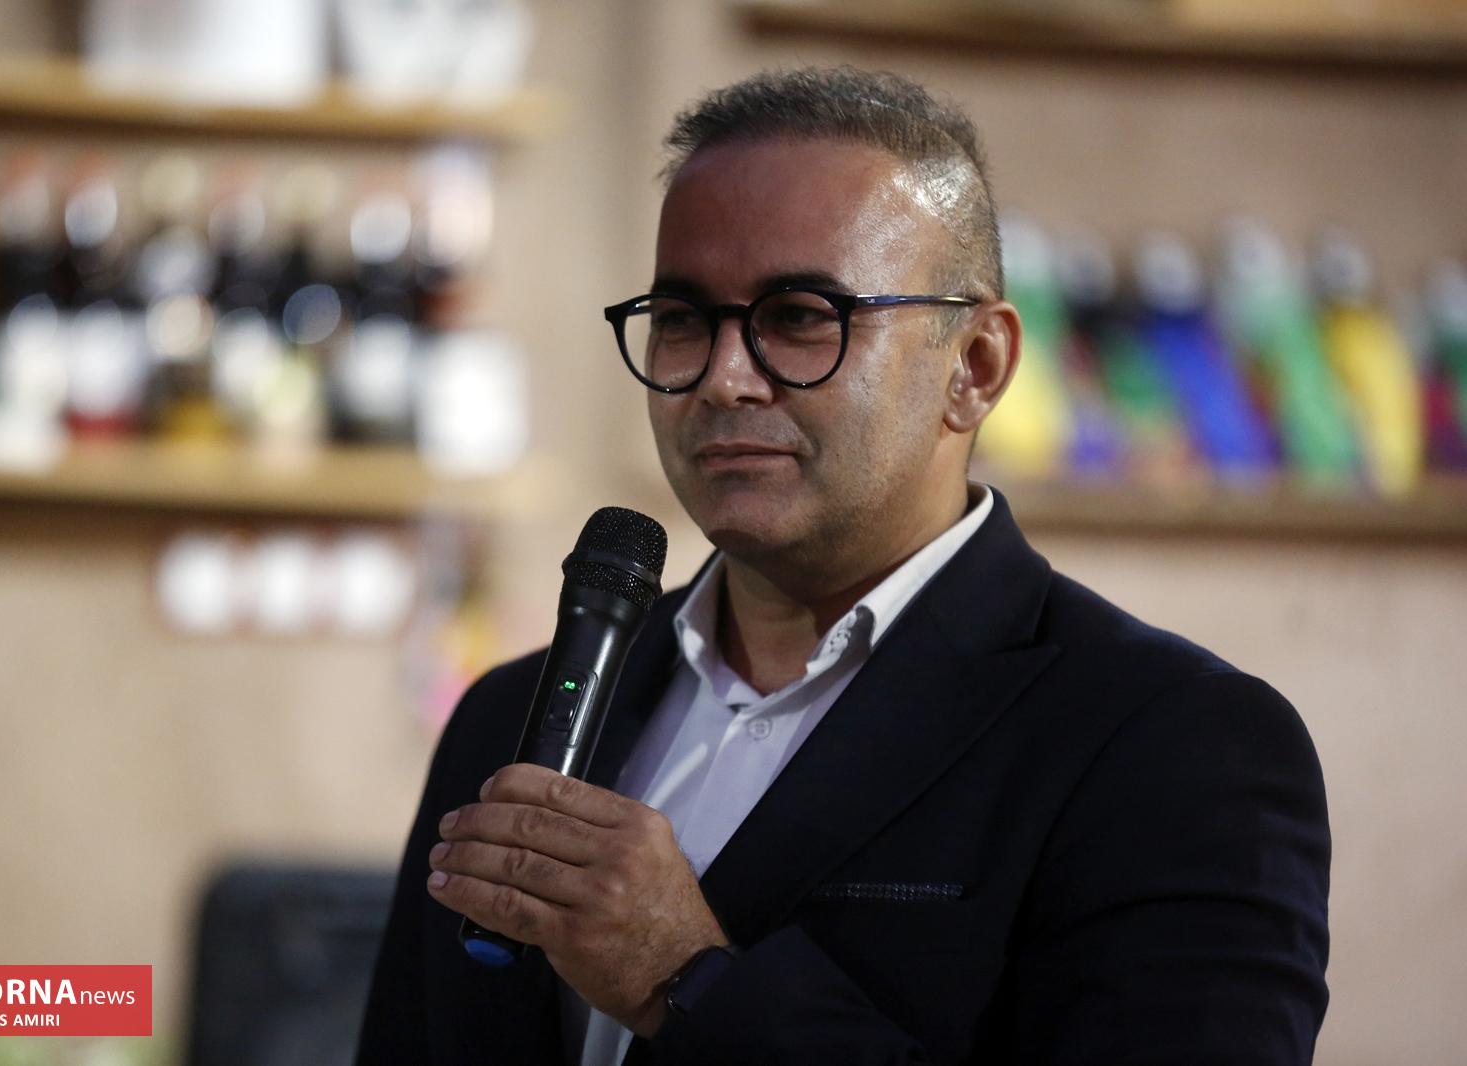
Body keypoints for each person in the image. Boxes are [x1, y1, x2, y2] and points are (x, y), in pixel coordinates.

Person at [355, 67, 1331, 1066]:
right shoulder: (508, 721)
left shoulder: (1175, 748)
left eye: (799, 316)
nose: (724, 378)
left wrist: (686, 979)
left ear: (976, 365)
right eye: (682, 320)